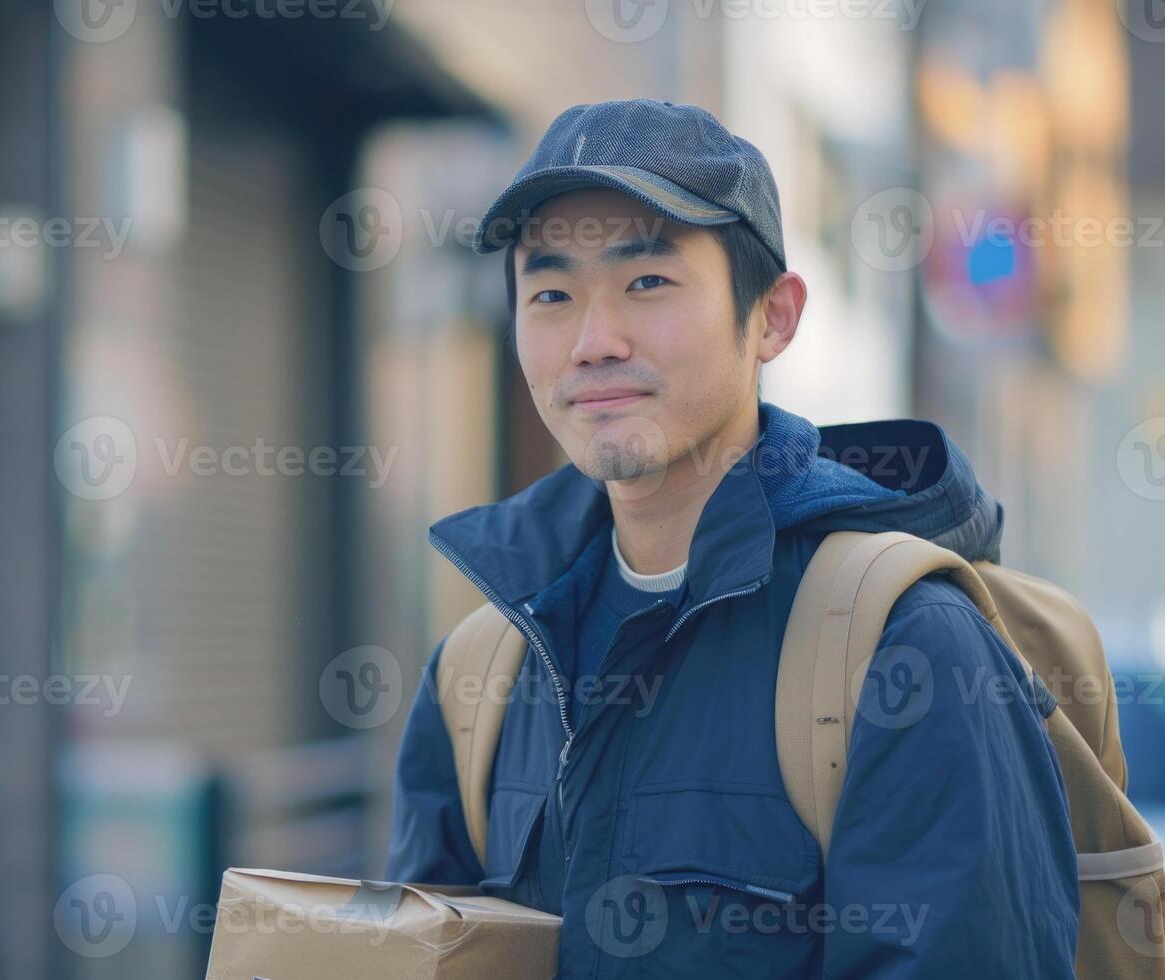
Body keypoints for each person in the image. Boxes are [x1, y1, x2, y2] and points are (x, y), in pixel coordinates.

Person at [385, 99, 1079, 978]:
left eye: (648, 283)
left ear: (773, 319)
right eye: (551, 293)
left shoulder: (904, 649)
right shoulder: (477, 676)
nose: (594, 342)